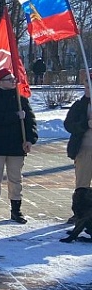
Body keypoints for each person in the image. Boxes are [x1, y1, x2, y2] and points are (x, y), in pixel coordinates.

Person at [0, 69, 38, 224]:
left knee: (16, 179)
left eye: (13, 79)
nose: (13, 81)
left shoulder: (21, 100)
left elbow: (30, 122)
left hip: (16, 145)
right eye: (9, 79)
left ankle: (16, 210)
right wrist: (15, 116)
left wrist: (30, 139)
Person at [64, 74, 92, 224]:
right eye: (86, 87)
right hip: (84, 150)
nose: (88, 90)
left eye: (90, 87)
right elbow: (69, 125)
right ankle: (79, 213)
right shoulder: (80, 105)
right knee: (82, 184)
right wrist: (85, 125)